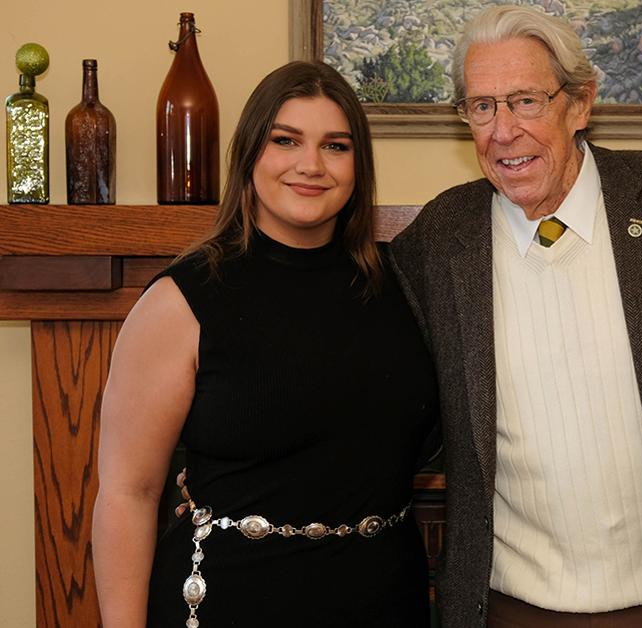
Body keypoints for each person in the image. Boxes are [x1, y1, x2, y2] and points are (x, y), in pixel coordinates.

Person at [390, 5, 642, 626]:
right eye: (481, 107)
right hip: (509, 605)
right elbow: (390, 412)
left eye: (525, 101)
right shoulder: (437, 242)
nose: (503, 131)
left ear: (580, 104)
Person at [91, 61, 438, 627]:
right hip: (229, 602)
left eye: (336, 146)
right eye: (286, 140)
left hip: (384, 600)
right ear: (250, 152)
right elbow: (128, 492)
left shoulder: (403, 285)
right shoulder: (181, 301)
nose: (311, 165)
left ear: (358, 166)